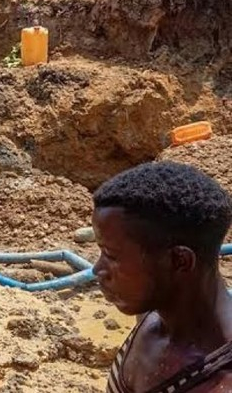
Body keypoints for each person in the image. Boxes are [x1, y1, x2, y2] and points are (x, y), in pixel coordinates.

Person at [92, 161, 232, 393]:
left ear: (179, 261)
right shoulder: (151, 317)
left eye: (111, 255)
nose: (98, 269)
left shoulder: (221, 381)